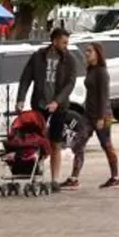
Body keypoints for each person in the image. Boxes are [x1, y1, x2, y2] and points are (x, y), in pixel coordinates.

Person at [16, 28, 77, 187]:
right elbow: (26, 78)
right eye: (63, 42)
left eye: (67, 42)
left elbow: (70, 84)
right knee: (37, 141)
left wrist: (57, 101)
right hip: (39, 104)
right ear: (54, 40)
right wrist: (21, 98)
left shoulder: (69, 59)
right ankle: (37, 175)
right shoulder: (38, 56)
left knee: (56, 142)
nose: (66, 45)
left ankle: (55, 179)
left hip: (59, 106)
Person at [64, 42, 119, 190]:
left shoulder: (102, 72)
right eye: (86, 51)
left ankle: (115, 177)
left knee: (106, 145)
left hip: (102, 115)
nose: (87, 53)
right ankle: (74, 178)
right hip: (89, 116)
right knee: (78, 143)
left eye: (90, 51)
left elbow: (104, 96)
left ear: (97, 54)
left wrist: (101, 117)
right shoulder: (91, 70)